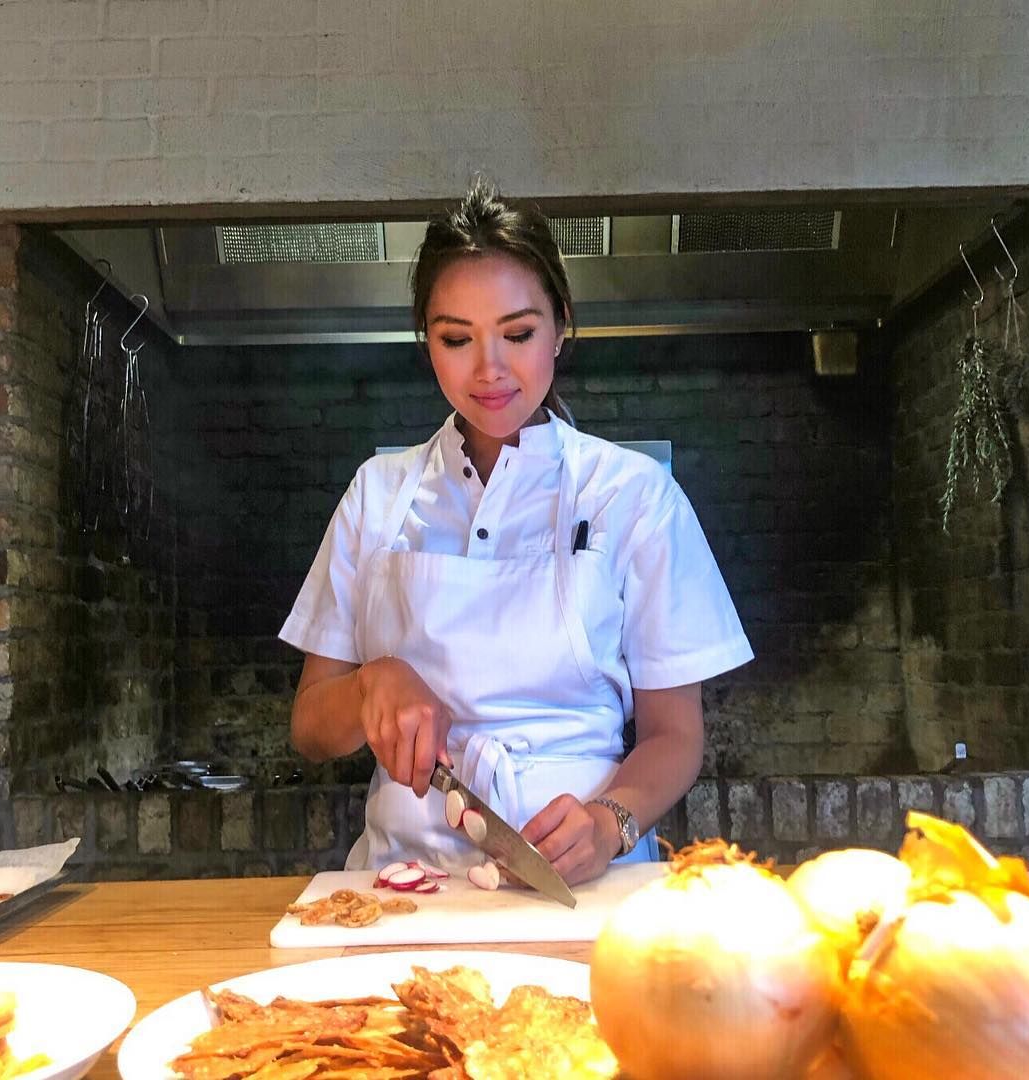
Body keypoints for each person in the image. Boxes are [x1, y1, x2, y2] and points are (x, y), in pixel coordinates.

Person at [280, 179, 753, 887]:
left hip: (587, 885)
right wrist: (369, 685)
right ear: (427, 342)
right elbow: (311, 729)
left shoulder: (633, 495)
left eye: (519, 334)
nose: (490, 370)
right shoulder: (376, 494)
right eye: (456, 339)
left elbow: (675, 735)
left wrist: (611, 823)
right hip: (408, 889)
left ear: (560, 326)